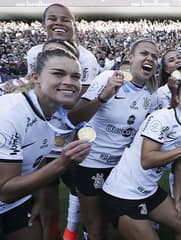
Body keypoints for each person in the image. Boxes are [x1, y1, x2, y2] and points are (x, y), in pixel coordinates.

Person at [68, 39, 160, 240]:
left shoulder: (151, 96)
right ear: (131, 57)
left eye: (155, 56)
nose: (150, 59)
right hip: (91, 164)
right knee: (96, 229)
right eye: (145, 53)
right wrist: (104, 97)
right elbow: (74, 118)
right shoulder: (107, 78)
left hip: (122, 169)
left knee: (120, 221)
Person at [0, 48, 91, 239]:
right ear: (36, 77)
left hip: (19, 201)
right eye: (58, 73)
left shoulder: (53, 111)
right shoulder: (9, 114)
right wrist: (62, 164)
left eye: (75, 76)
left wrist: (38, 198)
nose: (69, 81)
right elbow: (4, 191)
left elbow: (37, 159)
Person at [26, 4, 99, 240]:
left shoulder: (86, 58)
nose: (58, 23)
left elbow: (74, 106)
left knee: (88, 200)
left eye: (65, 19)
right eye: (52, 19)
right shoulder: (33, 53)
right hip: (41, 143)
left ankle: (74, 231)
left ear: (74, 24)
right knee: (45, 209)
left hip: (74, 143)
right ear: (44, 24)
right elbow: (33, 95)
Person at [102, 76, 181, 240]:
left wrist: (177, 199)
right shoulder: (162, 118)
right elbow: (146, 160)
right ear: (177, 97)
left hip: (149, 190)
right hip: (123, 194)